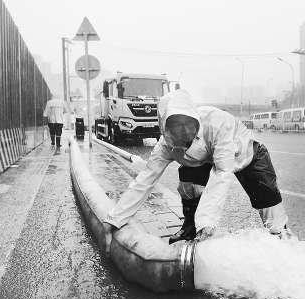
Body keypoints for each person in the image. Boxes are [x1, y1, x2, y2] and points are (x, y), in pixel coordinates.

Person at [104, 89, 290, 243]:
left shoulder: (218, 124)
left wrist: (207, 222)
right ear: (164, 125)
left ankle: (281, 238)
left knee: (267, 200)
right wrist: (115, 219)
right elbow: (144, 181)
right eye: (177, 125)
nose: (185, 131)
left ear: (195, 119)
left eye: (188, 124)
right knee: (189, 185)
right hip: (203, 158)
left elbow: (222, 173)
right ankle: (189, 229)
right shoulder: (164, 146)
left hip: (245, 154)